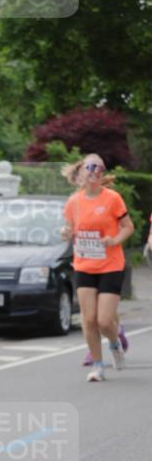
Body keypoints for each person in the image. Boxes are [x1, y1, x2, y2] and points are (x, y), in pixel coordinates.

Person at [60, 154, 134, 382]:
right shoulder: (74, 202)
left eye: (99, 168)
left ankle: (115, 345)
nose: (95, 171)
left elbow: (128, 226)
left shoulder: (112, 199)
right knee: (88, 319)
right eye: (90, 167)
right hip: (84, 265)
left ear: (102, 174)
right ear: (81, 172)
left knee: (104, 320)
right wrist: (65, 233)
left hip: (110, 265)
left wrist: (114, 239)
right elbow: (69, 230)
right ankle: (98, 366)